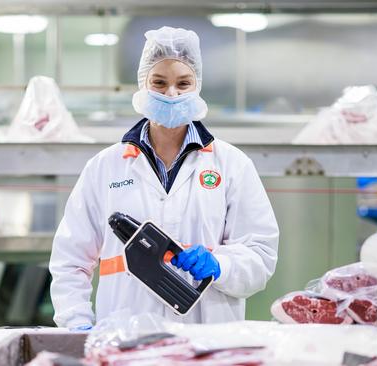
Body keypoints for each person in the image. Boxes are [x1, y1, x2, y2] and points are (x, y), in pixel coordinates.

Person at [49, 26, 279, 329]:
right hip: (125, 333)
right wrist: (76, 323)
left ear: (197, 85)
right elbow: (70, 260)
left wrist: (220, 265)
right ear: (143, 85)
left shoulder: (232, 165)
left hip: (208, 338)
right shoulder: (105, 168)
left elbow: (260, 255)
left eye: (183, 83)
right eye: (159, 83)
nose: (172, 93)